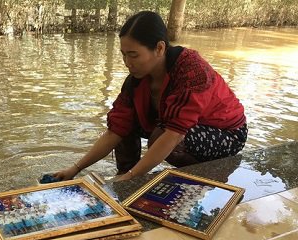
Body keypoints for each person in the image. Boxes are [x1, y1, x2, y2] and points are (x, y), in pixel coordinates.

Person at [54, 11, 247, 182]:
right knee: (123, 123)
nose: (127, 63)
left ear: (160, 48)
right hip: (173, 128)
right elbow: (115, 131)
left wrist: (130, 178)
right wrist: (75, 168)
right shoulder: (136, 80)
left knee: (160, 136)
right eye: (123, 55)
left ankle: (193, 176)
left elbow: (173, 134)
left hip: (226, 134)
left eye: (134, 55)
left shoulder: (192, 71)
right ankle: (126, 173)